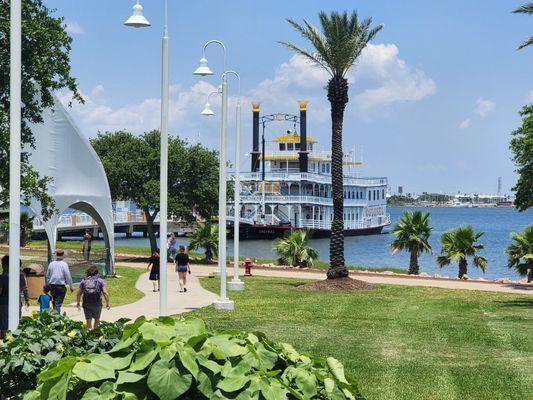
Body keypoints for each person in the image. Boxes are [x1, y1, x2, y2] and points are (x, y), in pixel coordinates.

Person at [0, 256, 27, 339]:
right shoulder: (20, 276)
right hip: (17, 303)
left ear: (5, 265)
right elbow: (23, 288)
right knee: (16, 324)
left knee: (4, 325)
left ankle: (5, 344)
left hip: (4, 304)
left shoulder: (3, 278)